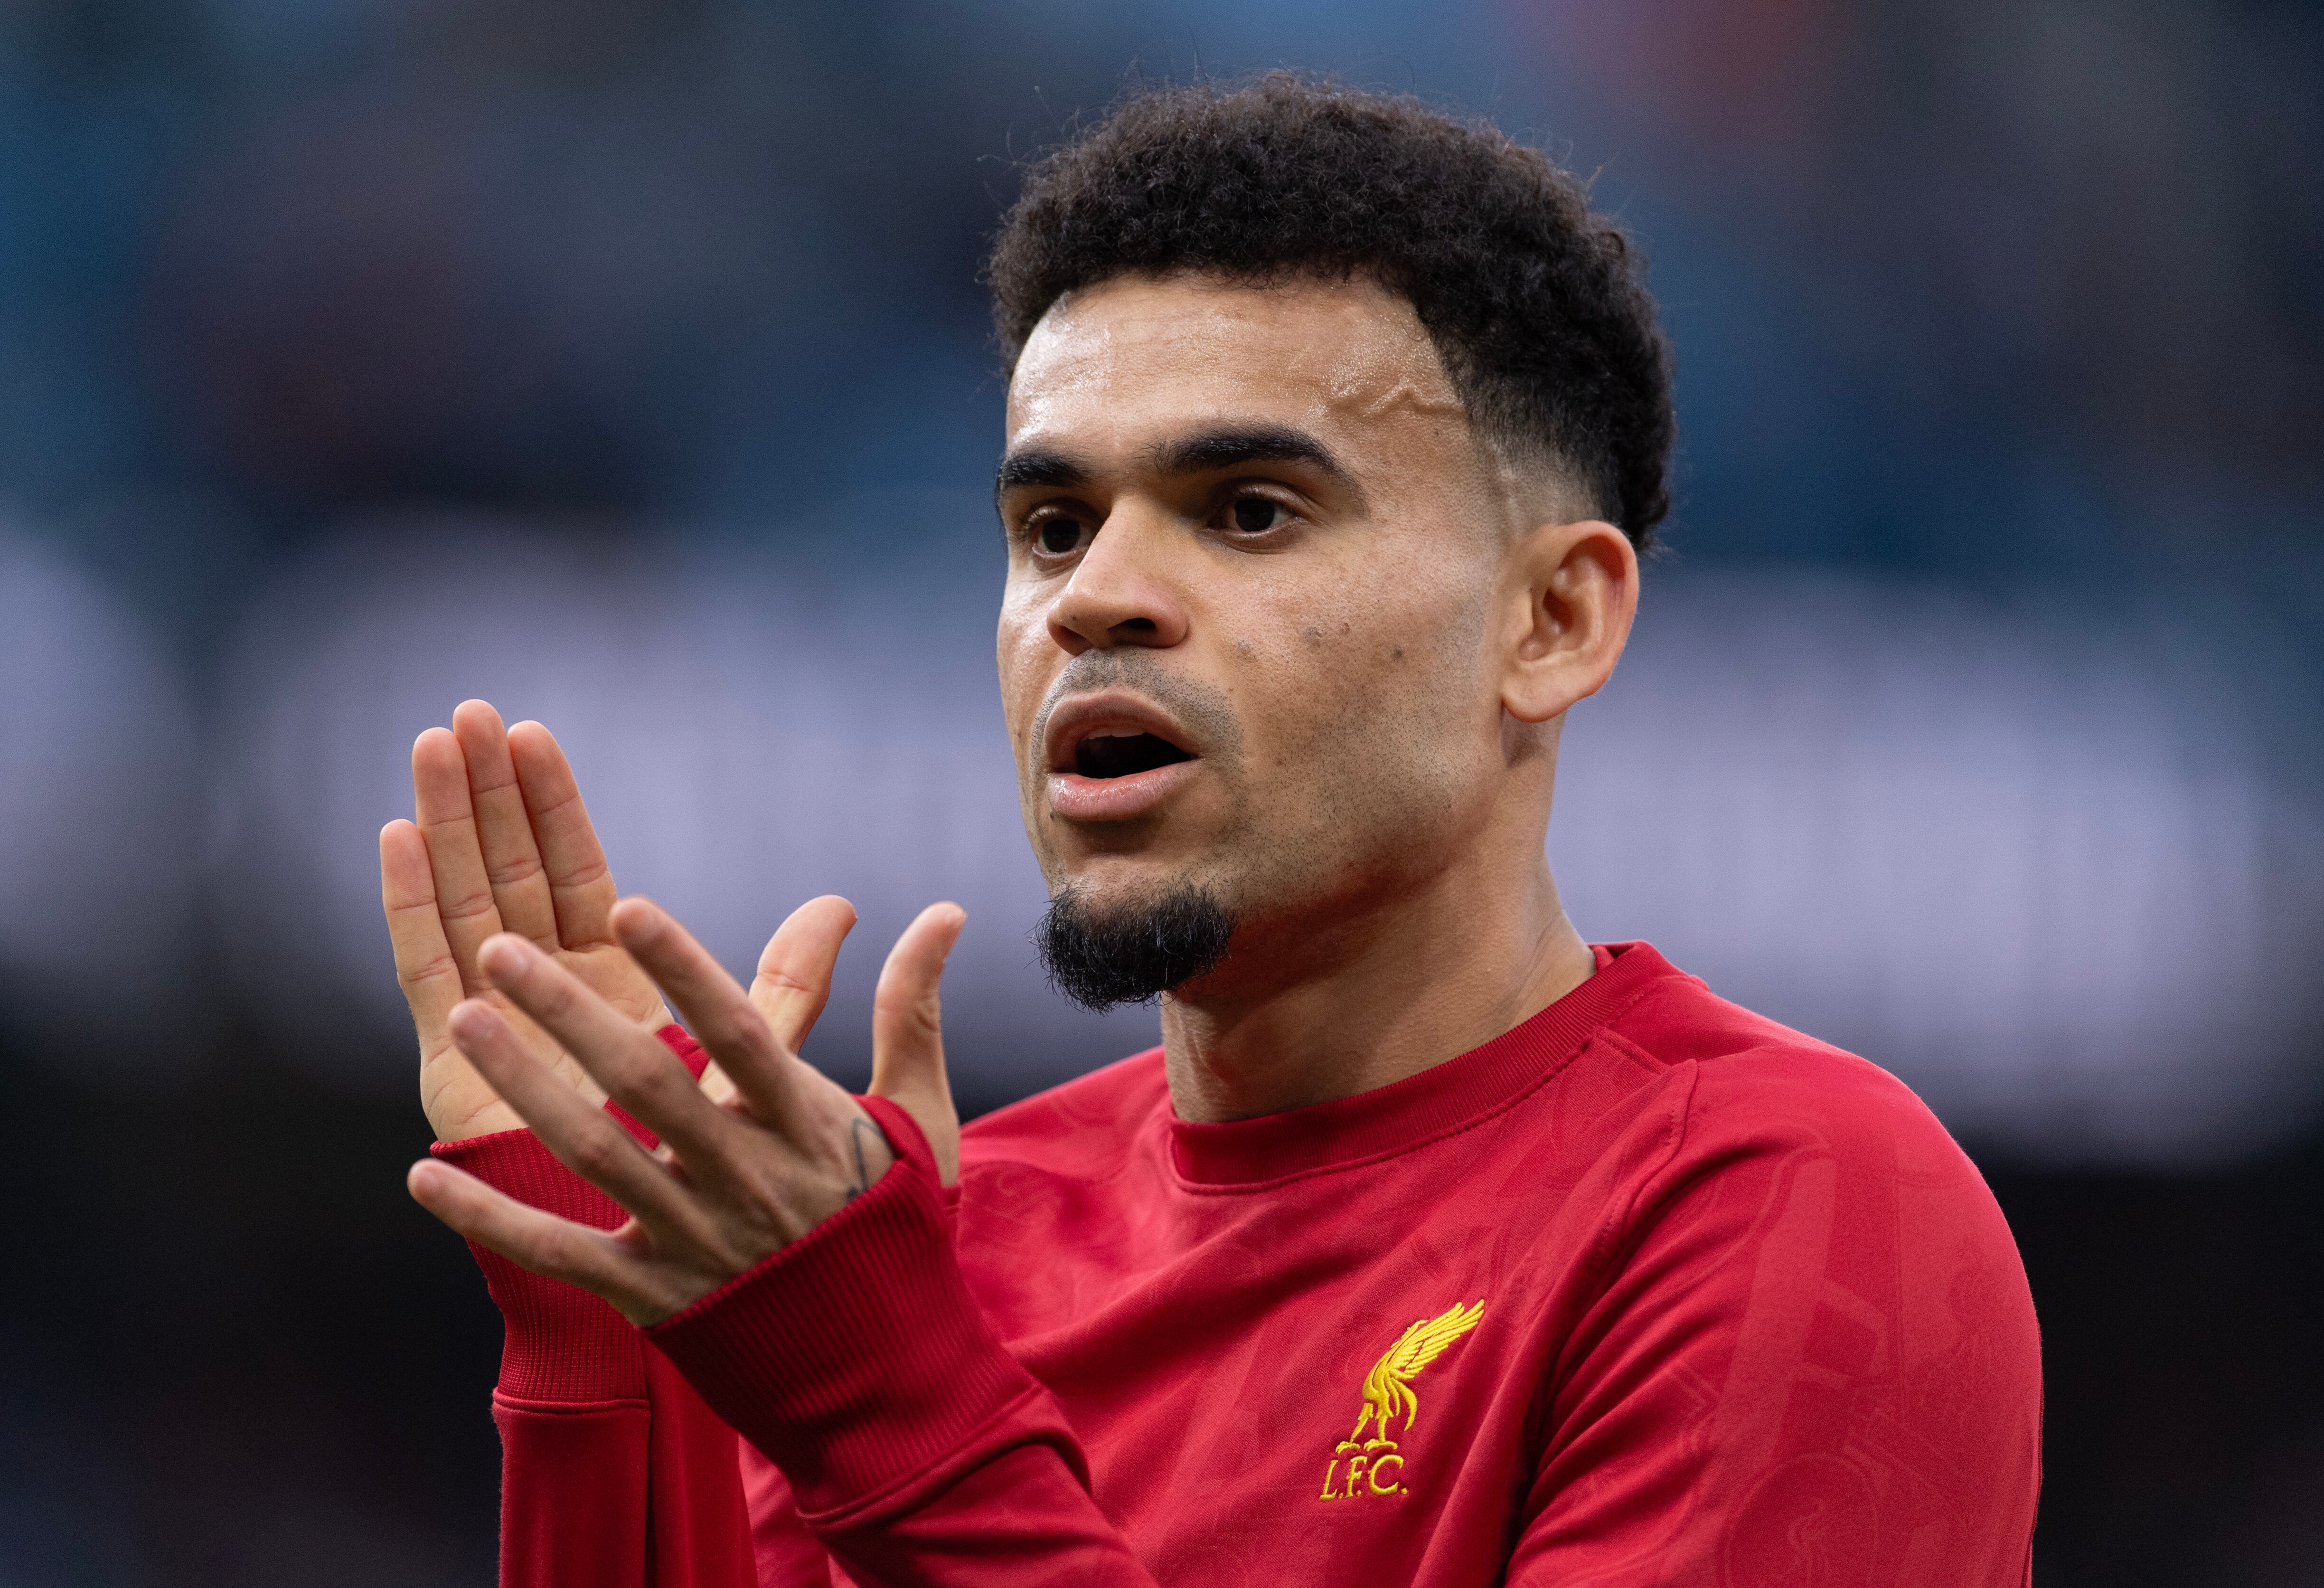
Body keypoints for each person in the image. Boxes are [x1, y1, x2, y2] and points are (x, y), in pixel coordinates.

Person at [381, 74, 2042, 1588]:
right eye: (1051, 524)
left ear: (1551, 621)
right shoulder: (939, 1253)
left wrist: (882, 1399)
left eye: (1249, 511)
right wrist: (603, 1353)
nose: (1095, 597)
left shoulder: (1783, 1199)